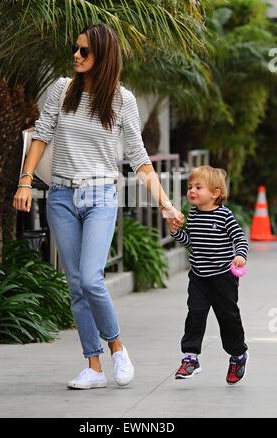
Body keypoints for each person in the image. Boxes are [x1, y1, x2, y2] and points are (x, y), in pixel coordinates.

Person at [13, 23, 183, 390]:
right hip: (60, 196)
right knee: (75, 284)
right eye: (75, 49)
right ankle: (93, 365)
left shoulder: (123, 100)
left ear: (103, 57)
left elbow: (139, 157)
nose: (76, 55)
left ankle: (117, 347)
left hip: (101, 196)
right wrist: (25, 181)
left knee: (91, 278)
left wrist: (166, 205)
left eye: (84, 51)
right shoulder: (62, 90)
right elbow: (41, 136)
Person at [169, 165, 249, 385]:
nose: (191, 191)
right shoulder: (193, 215)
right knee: (195, 315)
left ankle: (238, 355)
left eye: (198, 187)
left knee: (228, 318)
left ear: (215, 193)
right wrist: (176, 232)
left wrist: (240, 256)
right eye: (190, 187)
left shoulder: (224, 216)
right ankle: (190, 358)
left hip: (223, 278)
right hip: (199, 278)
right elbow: (191, 243)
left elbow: (240, 239)